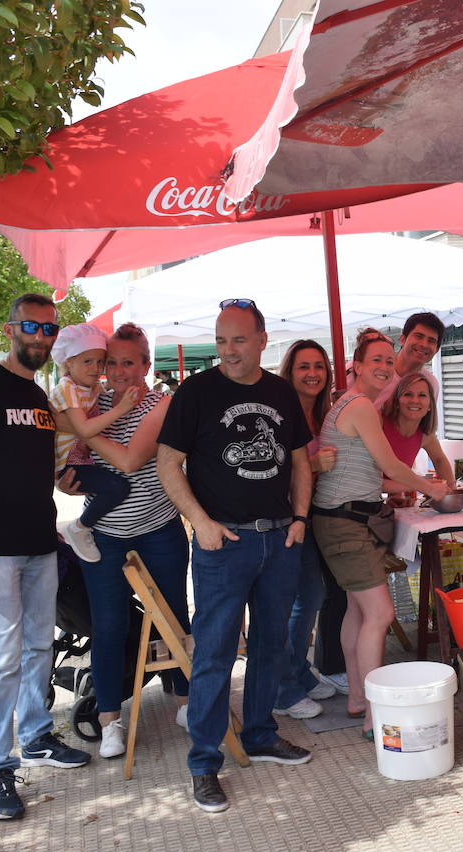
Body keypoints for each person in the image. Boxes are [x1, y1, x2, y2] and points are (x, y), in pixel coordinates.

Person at [156, 298, 315, 814]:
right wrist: (200, 523)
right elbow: (167, 464)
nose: (227, 350)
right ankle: (204, 763)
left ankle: (261, 735)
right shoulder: (196, 392)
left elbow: (299, 463)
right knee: (215, 652)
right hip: (223, 545)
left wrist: (299, 520)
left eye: (238, 340)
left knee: (273, 645)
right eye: (222, 340)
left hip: (279, 540)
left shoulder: (280, 393)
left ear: (263, 340)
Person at [0, 293, 92, 822]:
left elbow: (36, 471)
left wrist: (69, 480)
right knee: (1, 658)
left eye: (50, 330)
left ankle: (36, 737)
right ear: (10, 329)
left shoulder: (41, 400)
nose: (42, 337)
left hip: (39, 545)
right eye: (32, 326)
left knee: (36, 649)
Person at [62, 323, 192, 760]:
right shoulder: (90, 405)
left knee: (173, 618)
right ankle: (109, 718)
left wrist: (82, 430)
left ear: (145, 366)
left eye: (127, 362)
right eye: (109, 362)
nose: (116, 371)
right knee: (109, 626)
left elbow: (132, 459)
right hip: (106, 537)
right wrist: (67, 478)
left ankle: (185, 702)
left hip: (159, 529)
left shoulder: (161, 403)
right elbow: (68, 472)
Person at [310, 336, 447, 731]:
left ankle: (357, 698)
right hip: (343, 522)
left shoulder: (354, 404)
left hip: (349, 519)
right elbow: (390, 464)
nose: (386, 367)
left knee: (358, 611)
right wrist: (432, 488)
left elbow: (372, 470)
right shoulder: (360, 406)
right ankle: (376, 715)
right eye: (377, 360)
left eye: (390, 360)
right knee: (381, 612)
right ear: (357, 363)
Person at [270, 340, 341, 720]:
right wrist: (312, 465)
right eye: (303, 367)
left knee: (311, 596)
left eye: (318, 366)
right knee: (287, 603)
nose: (312, 373)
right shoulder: (279, 413)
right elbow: (274, 469)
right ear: (289, 371)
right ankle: (282, 689)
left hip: (314, 517)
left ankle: (296, 671)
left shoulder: (326, 414)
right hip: (283, 518)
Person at [47, 323, 138, 563]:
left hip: (80, 460)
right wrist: (122, 408)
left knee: (114, 485)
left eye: (100, 361)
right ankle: (79, 528)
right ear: (68, 362)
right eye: (87, 361)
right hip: (69, 464)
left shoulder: (91, 387)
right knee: (118, 487)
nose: (96, 368)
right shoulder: (68, 388)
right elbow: (84, 429)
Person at [380, 371, 454, 503]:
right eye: (408, 394)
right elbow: (368, 481)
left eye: (422, 395)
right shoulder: (379, 424)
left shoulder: (425, 434)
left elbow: (439, 460)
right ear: (397, 401)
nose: (415, 400)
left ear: (430, 405)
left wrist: (451, 491)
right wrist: (424, 486)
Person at [373, 311, 445, 407]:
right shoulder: (370, 368)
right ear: (402, 339)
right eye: (418, 336)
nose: (424, 344)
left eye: (431, 341)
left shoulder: (430, 384)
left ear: (436, 350)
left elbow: (427, 421)